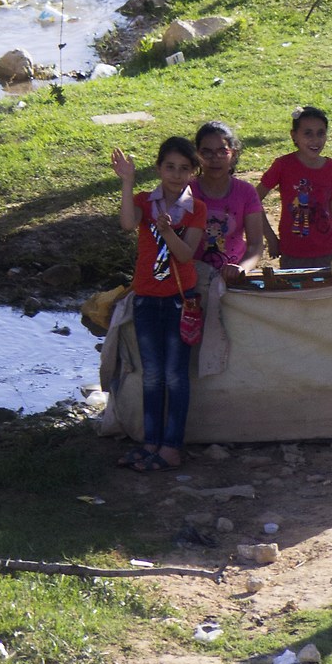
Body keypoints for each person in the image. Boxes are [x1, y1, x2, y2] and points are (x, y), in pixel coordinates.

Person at [112, 136, 205, 469]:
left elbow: (185, 254)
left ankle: (172, 447)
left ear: (193, 173)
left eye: (183, 169)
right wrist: (127, 182)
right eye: (170, 167)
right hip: (147, 298)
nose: (176, 175)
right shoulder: (145, 202)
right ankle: (151, 442)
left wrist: (167, 232)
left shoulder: (196, 209)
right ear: (159, 168)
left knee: (176, 375)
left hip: (181, 300)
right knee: (152, 375)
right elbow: (126, 223)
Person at [259, 105, 332, 266]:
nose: (315, 140)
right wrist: (270, 238)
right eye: (308, 133)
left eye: (321, 133)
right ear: (294, 136)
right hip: (292, 252)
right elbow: (254, 200)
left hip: (326, 253)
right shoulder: (282, 165)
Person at [190, 120, 265, 280]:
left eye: (222, 151)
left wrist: (241, 269)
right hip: (192, 280)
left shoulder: (246, 192)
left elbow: (256, 244)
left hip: (233, 280)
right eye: (207, 152)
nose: (215, 158)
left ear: (234, 154)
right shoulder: (186, 191)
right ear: (197, 155)